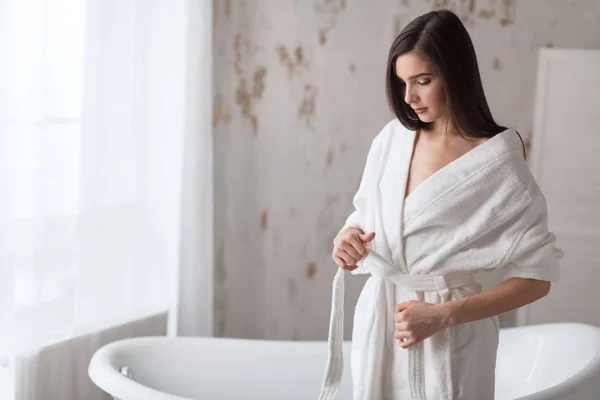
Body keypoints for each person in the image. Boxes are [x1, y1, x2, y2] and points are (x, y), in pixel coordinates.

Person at [318, 9, 563, 400]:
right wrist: (348, 241)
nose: (408, 97)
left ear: (456, 74)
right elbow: (366, 217)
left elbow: (537, 278)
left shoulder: (498, 163)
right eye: (402, 83)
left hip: (452, 338)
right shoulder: (392, 140)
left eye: (423, 81)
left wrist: (443, 316)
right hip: (382, 324)